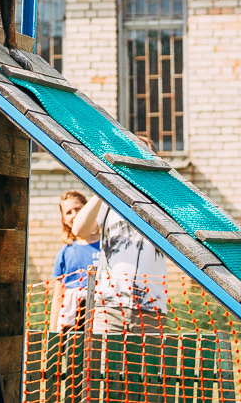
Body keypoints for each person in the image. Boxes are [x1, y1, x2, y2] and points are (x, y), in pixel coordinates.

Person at [72, 134, 170, 336]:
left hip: (151, 307)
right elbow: (79, 230)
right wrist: (105, 185)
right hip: (109, 306)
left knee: (146, 368)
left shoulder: (163, 202)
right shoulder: (108, 200)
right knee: (104, 367)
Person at [49, 189, 100, 332]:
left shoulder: (106, 245)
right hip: (73, 323)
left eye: (78, 209)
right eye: (68, 212)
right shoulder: (65, 252)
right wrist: (53, 334)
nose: (74, 214)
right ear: (64, 220)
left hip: (101, 318)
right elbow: (58, 296)